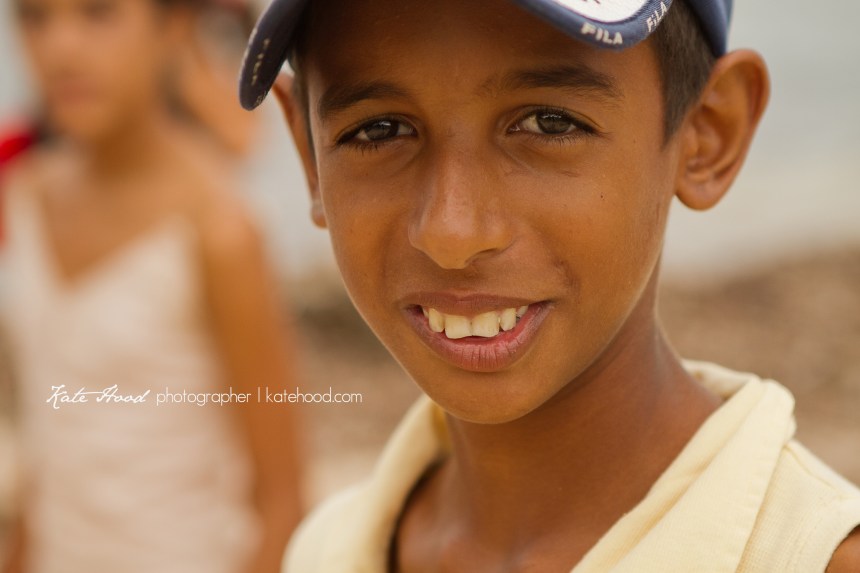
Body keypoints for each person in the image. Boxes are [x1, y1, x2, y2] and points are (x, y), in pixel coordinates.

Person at [236, 0, 860, 571]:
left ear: (707, 134)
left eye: (548, 121)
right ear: (309, 157)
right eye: (379, 130)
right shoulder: (325, 549)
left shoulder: (811, 556)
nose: (453, 231)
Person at [0, 0, 303, 571]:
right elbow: (50, 438)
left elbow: (281, 497)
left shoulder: (220, 233)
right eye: (35, 17)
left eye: (98, 13)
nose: (61, 48)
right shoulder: (28, 196)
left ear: (173, 28)